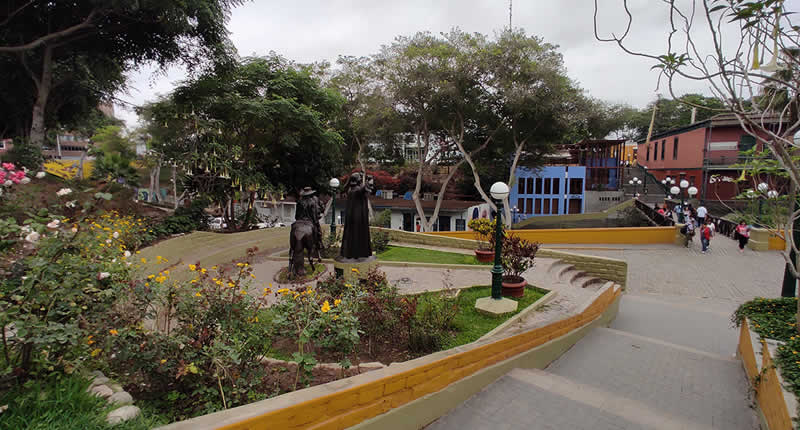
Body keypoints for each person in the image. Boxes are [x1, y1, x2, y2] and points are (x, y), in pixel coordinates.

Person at [340, 172, 374, 260]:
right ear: (357, 180)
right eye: (360, 178)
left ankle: (353, 253)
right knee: (357, 235)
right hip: (357, 218)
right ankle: (357, 254)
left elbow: (365, 190)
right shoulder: (355, 190)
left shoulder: (351, 190)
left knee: (354, 235)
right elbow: (364, 189)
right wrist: (368, 180)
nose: (361, 179)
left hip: (354, 217)